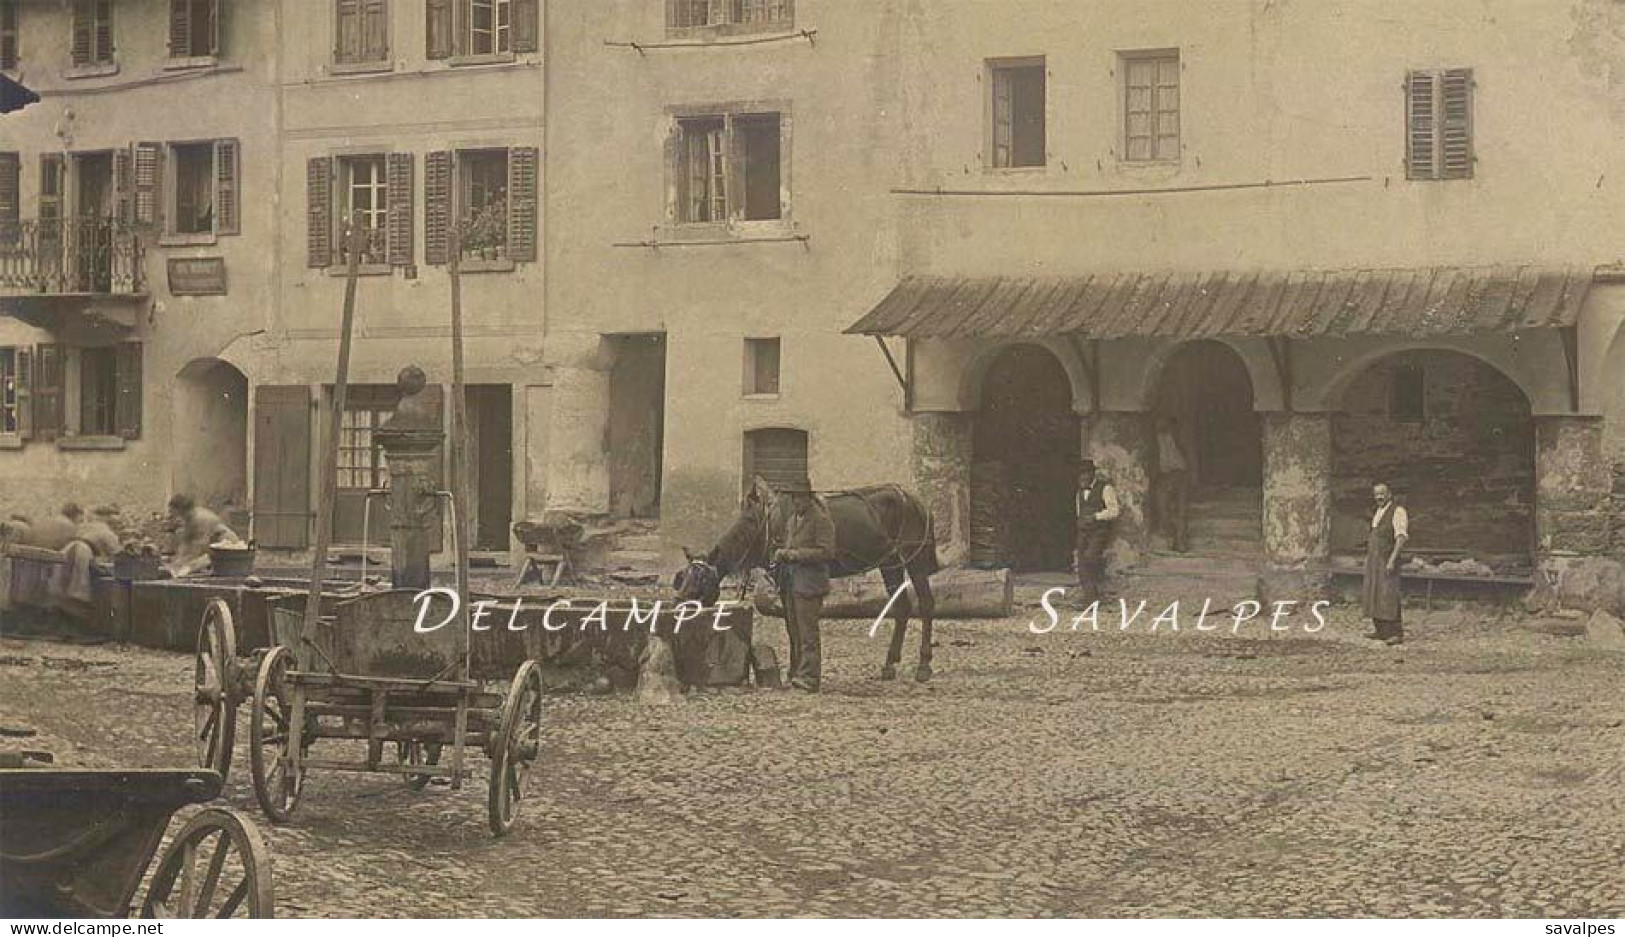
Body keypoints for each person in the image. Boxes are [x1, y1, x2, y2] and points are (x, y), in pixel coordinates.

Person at [772, 477, 835, 693]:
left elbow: (827, 552)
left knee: (808, 634)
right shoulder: (792, 521)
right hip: (791, 583)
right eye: (793, 499)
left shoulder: (821, 520)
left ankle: (810, 678)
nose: (796, 502)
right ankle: (798, 672)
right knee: (795, 631)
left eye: (799, 498)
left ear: (809, 498)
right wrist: (781, 555)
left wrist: (794, 555)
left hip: (810, 584)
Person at [1364, 482, 1409, 646]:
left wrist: (1392, 559)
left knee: (1389, 593)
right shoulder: (1378, 511)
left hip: (1387, 558)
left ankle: (1396, 632)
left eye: (1382, 494)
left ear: (1389, 494)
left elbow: (1401, 538)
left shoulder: (1398, 511)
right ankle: (1381, 630)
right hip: (1375, 559)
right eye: (1376, 494)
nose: (1379, 497)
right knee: (1376, 592)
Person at [1074, 460, 1120, 604]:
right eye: (1080, 475)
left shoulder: (1106, 489)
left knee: (1090, 557)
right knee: (1080, 560)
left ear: (1092, 474)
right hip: (1084, 531)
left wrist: (1096, 517)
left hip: (1099, 531)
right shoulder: (1080, 492)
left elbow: (1114, 511)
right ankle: (1088, 595)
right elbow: (1079, 512)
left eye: (1085, 474)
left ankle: (1094, 594)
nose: (1082, 478)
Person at [166, 494, 240, 578]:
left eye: (173, 512)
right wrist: (178, 561)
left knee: (192, 567)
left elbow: (199, 545)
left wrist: (185, 565)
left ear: (180, 509)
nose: (172, 516)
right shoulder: (188, 518)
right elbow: (186, 543)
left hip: (227, 546)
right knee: (185, 566)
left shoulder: (201, 518)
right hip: (212, 547)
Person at [1154, 416, 1190, 553]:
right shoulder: (1154, 440)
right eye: (1159, 424)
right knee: (1163, 507)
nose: (1162, 426)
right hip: (1164, 476)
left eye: (1165, 423)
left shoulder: (1179, 438)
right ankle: (1170, 537)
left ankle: (1181, 542)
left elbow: (1187, 456)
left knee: (1181, 509)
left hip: (1180, 474)